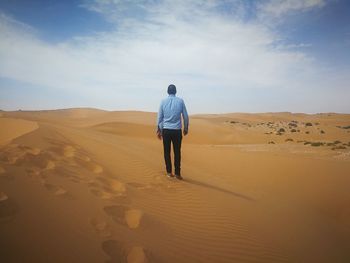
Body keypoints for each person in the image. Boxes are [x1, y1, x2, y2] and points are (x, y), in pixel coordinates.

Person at [157, 84, 189, 180]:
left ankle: (169, 172)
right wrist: (186, 128)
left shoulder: (163, 101)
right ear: (175, 91)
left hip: (166, 130)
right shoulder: (180, 101)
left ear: (168, 91)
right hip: (177, 131)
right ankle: (177, 174)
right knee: (177, 152)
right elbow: (185, 116)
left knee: (167, 152)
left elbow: (160, 117)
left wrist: (159, 130)